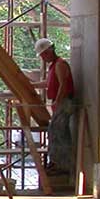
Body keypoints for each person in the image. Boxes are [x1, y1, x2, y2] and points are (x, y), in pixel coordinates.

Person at [34, 38, 75, 174]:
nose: (43, 58)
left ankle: (61, 165)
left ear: (49, 51)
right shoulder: (54, 66)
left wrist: (57, 101)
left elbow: (63, 84)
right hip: (61, 102)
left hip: (64, 102)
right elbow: (49, 84)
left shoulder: (60, 64)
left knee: (58, 132)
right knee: (56, 131)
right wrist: (31, 85)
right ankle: (57, 163)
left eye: (43, 55)